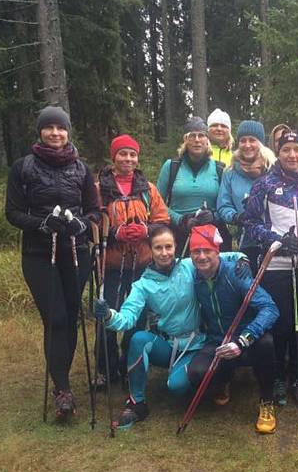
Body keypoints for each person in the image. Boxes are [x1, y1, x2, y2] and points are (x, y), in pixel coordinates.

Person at [93, 225, 245, 429]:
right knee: (138, 339)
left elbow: (226, 255)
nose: (164, 253)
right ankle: (137, 403)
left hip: (196, 344)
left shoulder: (189, 266)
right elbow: (127, 318)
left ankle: (213, 381)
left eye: (169, 246)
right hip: (167, 344)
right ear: (151, 250)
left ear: (176, 247)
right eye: (158, 248)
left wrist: (242, 259)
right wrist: (109, 315)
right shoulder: (143, 284)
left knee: (177, 388)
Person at [5, 105, 100, 420]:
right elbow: (13, 213)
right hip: (38, 254)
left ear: (68, 133)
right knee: (55, 317)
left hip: (76, 252)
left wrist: (82, 225)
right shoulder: (23, 167)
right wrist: (41, 223)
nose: (55, 133)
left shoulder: (81, 169)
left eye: (61, 128)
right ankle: (62, 389)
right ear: (40, 132)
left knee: (71, 316)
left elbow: (94, 211)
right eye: (49, 128)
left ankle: (63, 377)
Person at [244, 130, 298, 410]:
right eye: (286, 150)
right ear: (278, 153)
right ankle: (278, 376)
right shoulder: (264, 184)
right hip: (276, 264)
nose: (292, 155)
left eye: (297, 149)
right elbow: (250, 223)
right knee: (281, 322)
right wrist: (276, 240)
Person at [187, 224, 280, 434]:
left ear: (217, 251)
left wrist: (244, 340)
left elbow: (270, 308)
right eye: (196, 251)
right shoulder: (192, 276)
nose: (201, 257)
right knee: (196, 375)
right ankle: (224, 379)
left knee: (265, 343)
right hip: (217, 341)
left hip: (244, 340)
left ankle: (267, 400)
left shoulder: (235, 274)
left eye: (207, 250)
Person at [94, 134, 170, 387]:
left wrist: (147, 231)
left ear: (137, 158)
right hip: (111, 265)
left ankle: (130, 364)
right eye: (122, 154)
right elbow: (92, 222)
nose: (128, 159)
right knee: (107, 314)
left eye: (132, 154)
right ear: (113, 156)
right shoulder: (99, 189)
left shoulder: (148, 189)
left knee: (136, 316)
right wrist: (115, 233)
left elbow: (163, 220)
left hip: (141, 264)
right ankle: (105, 369)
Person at [156, 116, 229, 254]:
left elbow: (225, 205)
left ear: (207, 140)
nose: (197, 140)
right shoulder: (171, 167)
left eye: (201, 135)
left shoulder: (219, 169)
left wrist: (213, 216)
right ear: (185, 140)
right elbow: (157, 204)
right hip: (178, 236)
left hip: (212, 237)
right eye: (192, 136)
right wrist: (181, 220)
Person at [217, 120, 275, 270]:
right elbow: (223, 205)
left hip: (273, 240)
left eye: (252, 140)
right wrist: (236, 217)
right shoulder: (230, 172)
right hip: (244, 241)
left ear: (260, 143)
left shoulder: (273, 170)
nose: (247, 145)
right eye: (243, 140)